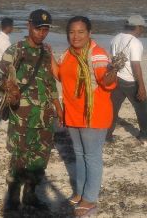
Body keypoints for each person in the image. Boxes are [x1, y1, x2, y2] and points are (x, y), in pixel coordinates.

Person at [0, 10, 62, 212]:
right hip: (22, 117)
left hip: (44, 116)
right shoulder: (15, 50)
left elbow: (50, 84)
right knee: (19, 158)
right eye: (38, 28)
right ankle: (13, 198)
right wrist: (7, 87)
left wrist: (58, 108)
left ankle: (31, 195)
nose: (41, 33)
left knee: (40, 158)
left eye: (45, 29)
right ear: (29, 26)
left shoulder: (47, 52)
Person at [51, 16, 117, 217]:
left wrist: (112, 72)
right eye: (72, 32)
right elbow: (60, 75)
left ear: (89, 33)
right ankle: (80, 192)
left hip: (93, 115)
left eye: (80, 32)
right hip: (73, 114)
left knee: (92, 156)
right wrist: (49, 57)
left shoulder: (96, 55)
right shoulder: (68, 54)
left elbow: (107, 83)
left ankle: (89, 198)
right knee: (79, 155)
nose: (75, 36)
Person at [107, 15, 147, 141]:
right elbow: (135, 65)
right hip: (130, 81)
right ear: (137, 27)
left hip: (115, 78)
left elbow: (112, 59)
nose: (142, 31)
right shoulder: (135, 42)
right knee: (142, 107)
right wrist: (141, 87)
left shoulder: (115, 38)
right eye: (142, 28)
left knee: (112, 109)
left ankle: (107, 135)